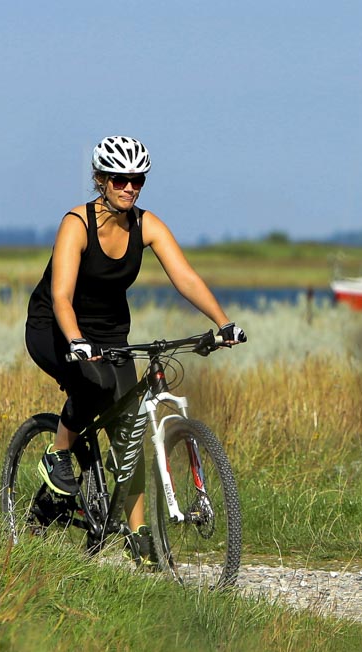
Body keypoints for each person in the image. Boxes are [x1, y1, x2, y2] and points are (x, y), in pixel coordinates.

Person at [24, 135, 245, 557]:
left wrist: (223, 323)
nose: (129, 188)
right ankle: (57, 454)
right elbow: (61, 297)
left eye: (137, 180)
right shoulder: (77, 224)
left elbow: (186, 278)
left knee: (129, 432)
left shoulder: (147, 225)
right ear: (101, 180)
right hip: (54, 327)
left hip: (111, 334)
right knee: (91, 384)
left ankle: (138, 534)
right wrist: (76, 341)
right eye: (120, 179)